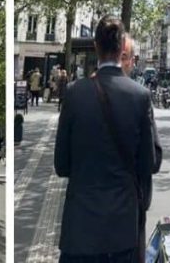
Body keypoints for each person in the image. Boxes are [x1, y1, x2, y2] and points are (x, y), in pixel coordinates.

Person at [55, 16, 161, 262]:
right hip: (121, 230)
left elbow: (61, 165)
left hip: (79, 229)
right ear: (122, 46)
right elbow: (148, 163)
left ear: (95, 46)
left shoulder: (74, 93)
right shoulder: (140, 96)